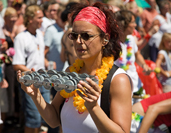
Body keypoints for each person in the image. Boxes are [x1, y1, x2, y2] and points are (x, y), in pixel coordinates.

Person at [18, 2, 133, 133]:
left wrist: (93, 107)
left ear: (105, 39)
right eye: (74, 35)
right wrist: (35, 95)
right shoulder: (71, 72)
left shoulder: (118, 80)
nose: (78, 41)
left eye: (86, 36)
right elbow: (54, 120)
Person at [13, 5, 50, 133]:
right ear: (30, 19)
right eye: (39, 17)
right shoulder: (21, 38)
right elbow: (17, 64)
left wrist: (46, 63)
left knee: (43, 116)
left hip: (43, 81)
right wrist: (31, 72)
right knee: (32, 118)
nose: (42, 20)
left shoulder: (39, 34)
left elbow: (38, 56)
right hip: (30, 83)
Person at [115, 10, 151, 96]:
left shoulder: (130, 39)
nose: (135, 24)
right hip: (121, 88)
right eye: (132, 22)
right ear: (123, 24)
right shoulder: (113, 43)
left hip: (136, 86)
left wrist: (144, 65)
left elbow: (137, 54)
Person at [60, 2, 78, 70]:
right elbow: (75, 55)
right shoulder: (71, 32)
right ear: (70, 16)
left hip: (72, 69)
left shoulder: (64, 34)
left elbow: (62, 58)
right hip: (77, 70)